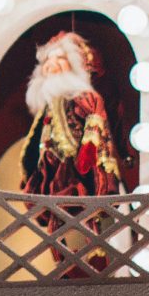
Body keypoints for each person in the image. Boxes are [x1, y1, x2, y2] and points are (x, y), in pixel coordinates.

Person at [20, 30, 126, 199]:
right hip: (50, 167)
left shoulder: (84, 96)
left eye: (60, 58)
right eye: (49, 59)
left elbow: (95, 116)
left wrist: (89, 148)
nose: (52, 64)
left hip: (75, 167)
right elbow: (36, 135)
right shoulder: (48, 104)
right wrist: (29, 165)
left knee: (76, 203)